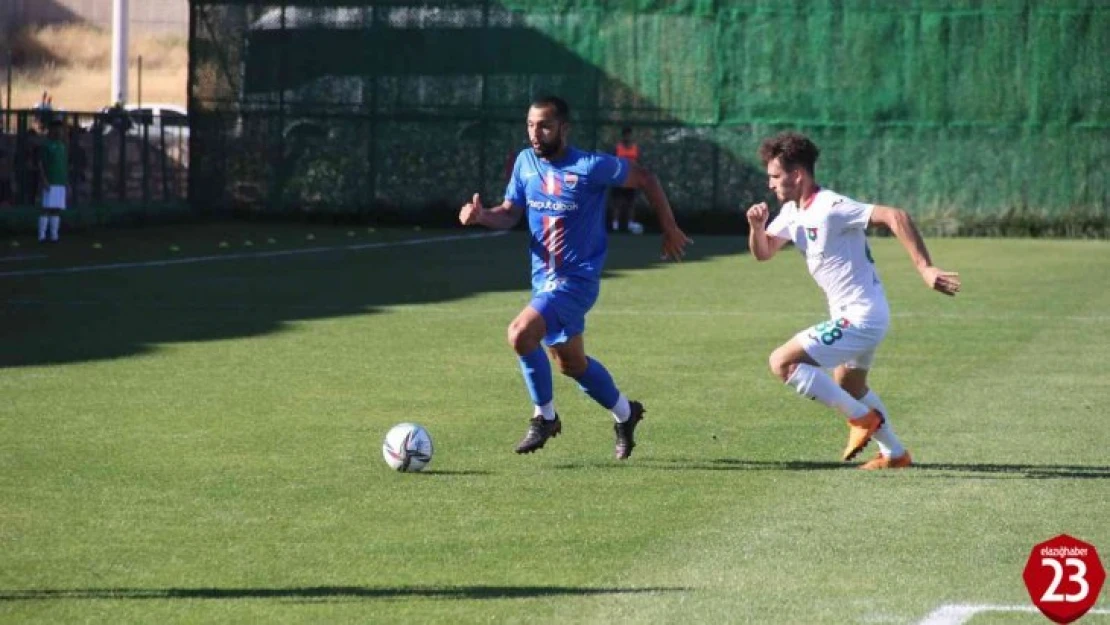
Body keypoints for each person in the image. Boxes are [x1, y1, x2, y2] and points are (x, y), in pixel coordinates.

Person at [459, 95, 691, 459]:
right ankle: (626, 414)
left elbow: (645, 178)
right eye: (531, 125)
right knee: (572, 365)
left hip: (577, 281)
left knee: (520, 333)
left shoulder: (591, 166)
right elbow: (509, 214)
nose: (536, 133)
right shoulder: (524, 163)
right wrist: (482, 216)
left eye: (545, 125)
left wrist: (670, 228)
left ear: (564, 129)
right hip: (543, 282)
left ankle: (544, 417)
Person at [745, 131, 961, 470]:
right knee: (850, 384)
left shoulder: (830, 206)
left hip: (861, 317)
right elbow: (764, 253)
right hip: (863, 314)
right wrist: (757, 228)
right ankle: (895, 454)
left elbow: (896, 216)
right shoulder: (790, 211)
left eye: (775, 176)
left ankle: (861, 420)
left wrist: (924, 267)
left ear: (797, 174)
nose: (770, 183)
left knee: (782, 363)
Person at [37, 119, 69, 243]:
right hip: (50, 181)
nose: (60, 132)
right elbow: (40, 164)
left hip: (60, 181)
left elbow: (63, 165)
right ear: (51, 130)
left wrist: (66, 181)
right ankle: (42, 236)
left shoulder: (62, 146)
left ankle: (54, 235)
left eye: (61, 129)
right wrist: (44, 179)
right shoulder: (47, 145)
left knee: (56, 208)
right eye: (57, 129)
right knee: (46, 208)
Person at [609, 126, 642, 234]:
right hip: (620, 179)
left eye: (629, 135)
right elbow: (612, 162)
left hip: (632, 179)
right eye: (626, 135)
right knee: (617, 202)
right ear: (623, 136)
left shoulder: (636, 148)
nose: (628, 137)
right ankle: (615, 225)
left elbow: (639, 162)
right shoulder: (617, 148)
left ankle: (630, 224)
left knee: (631, 203)